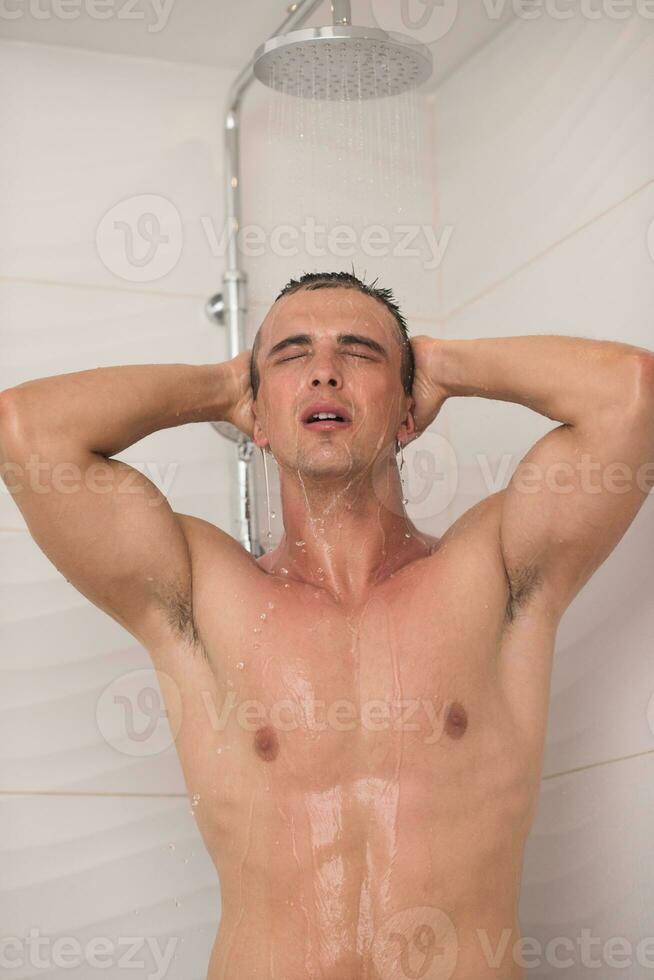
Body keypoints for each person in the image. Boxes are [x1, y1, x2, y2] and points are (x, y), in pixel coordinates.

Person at [1, 269, 653, 980]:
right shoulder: (201, 590)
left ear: (409, 410)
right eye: (291, 356)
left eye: (359, 353)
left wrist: (439, 363)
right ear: (257, 411)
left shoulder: (492, 571)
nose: (324, 374)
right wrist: (227, 387)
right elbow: (27, 433)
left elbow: (631, 395)